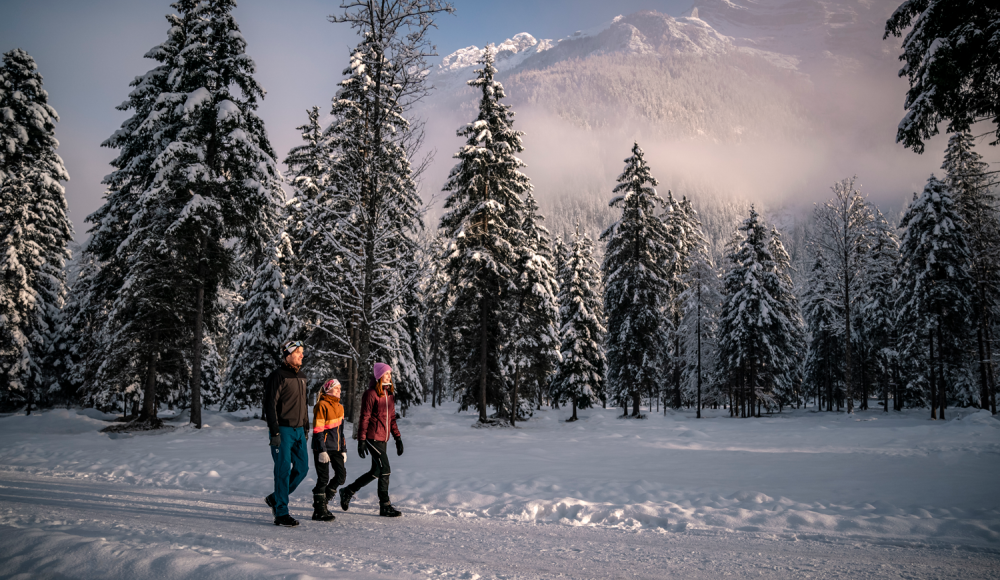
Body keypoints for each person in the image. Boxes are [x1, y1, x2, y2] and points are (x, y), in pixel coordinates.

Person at [339, 362, 404, 517]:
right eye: (386, 373)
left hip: (383, 438)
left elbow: (392, 418)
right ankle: (385, 505)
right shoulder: (371, 394)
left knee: (376, 471)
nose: (389, 376)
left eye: (390, 374)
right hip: (372, 437)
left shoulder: (389, 394)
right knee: (385, 470)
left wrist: (398, 438)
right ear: (379, 375)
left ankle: (348, 491)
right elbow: (364, 417)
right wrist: (361, 440)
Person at [263, 339, 309, 527]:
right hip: (282, 430)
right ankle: (281, 512)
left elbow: (303, 405)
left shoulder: (302, 377)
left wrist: (306, 427)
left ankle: (275, 498)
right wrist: (274, 432)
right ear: (288, 355)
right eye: (298, 352)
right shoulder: (277, 376)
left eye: (302, 352)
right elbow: (270, 405)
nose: (302, 355)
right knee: (283, 471)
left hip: (299, 431)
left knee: (303, 469)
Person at [310, 379, 347, 522]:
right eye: (336, 388)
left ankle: (322, 501)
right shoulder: (322, 405)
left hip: (336, 448)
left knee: (341, 476)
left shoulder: (340, 407)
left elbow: (341, 432)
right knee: (323, 479)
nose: (339, 391)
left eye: (340, 388)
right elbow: (318, 430)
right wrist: (321, 450)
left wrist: (343, 449)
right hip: (323, 448)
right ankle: (319, 511)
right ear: (328, 389)